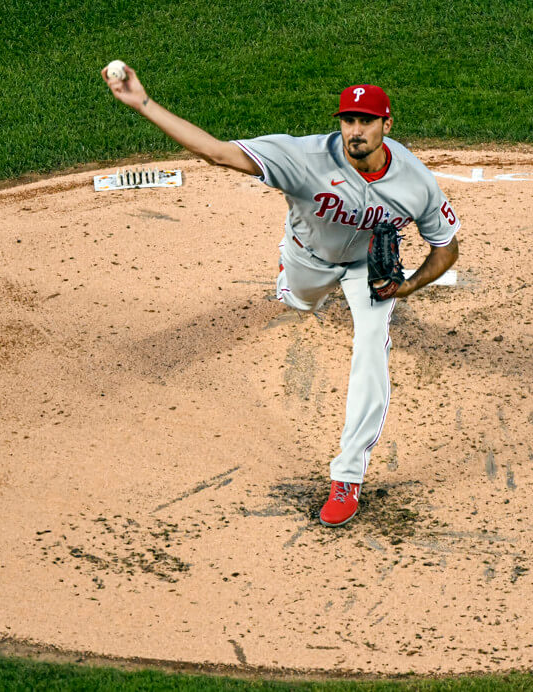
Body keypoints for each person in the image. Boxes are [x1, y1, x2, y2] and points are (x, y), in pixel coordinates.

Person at [102, 65, 460, 527]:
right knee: (300, 303)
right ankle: (295, 285)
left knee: (372, 343)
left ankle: (347, 476)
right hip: (307, 257)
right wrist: (142, 103)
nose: (355, 130)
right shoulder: (304, 156)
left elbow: (445, 247)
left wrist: (407, 286)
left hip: (365, 271)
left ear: (387, 125)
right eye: (348, 120)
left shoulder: (416, 181)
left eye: (366, 121)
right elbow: (217, 153)